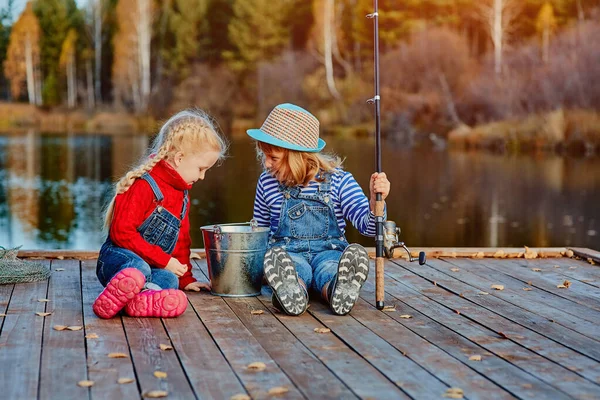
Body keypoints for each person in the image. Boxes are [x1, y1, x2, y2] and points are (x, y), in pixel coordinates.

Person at [248, 103, 390, 316]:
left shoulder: (340, 181)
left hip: (329, 251)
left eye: (274, 158)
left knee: (330, 269)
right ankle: (293, 290)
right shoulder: (267, 182)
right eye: (264, 155)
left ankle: (336, 289)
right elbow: (259, 231)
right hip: (289, 254)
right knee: (293, 269)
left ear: (298, 156)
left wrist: (375, 201)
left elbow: (369, 228)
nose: (267, 164)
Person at [93, 109, 227, 319]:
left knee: (169, 280)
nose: (202, 177)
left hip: (152, 266)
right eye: (201, 169)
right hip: (117, 261)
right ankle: (132, 289)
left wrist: (186, 279)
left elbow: (181, 240)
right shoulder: (144, 185)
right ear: (180, 158)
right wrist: (164, 260)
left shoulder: (182, 193)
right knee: (139, 268)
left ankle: (139, 300)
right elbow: (121, 233)